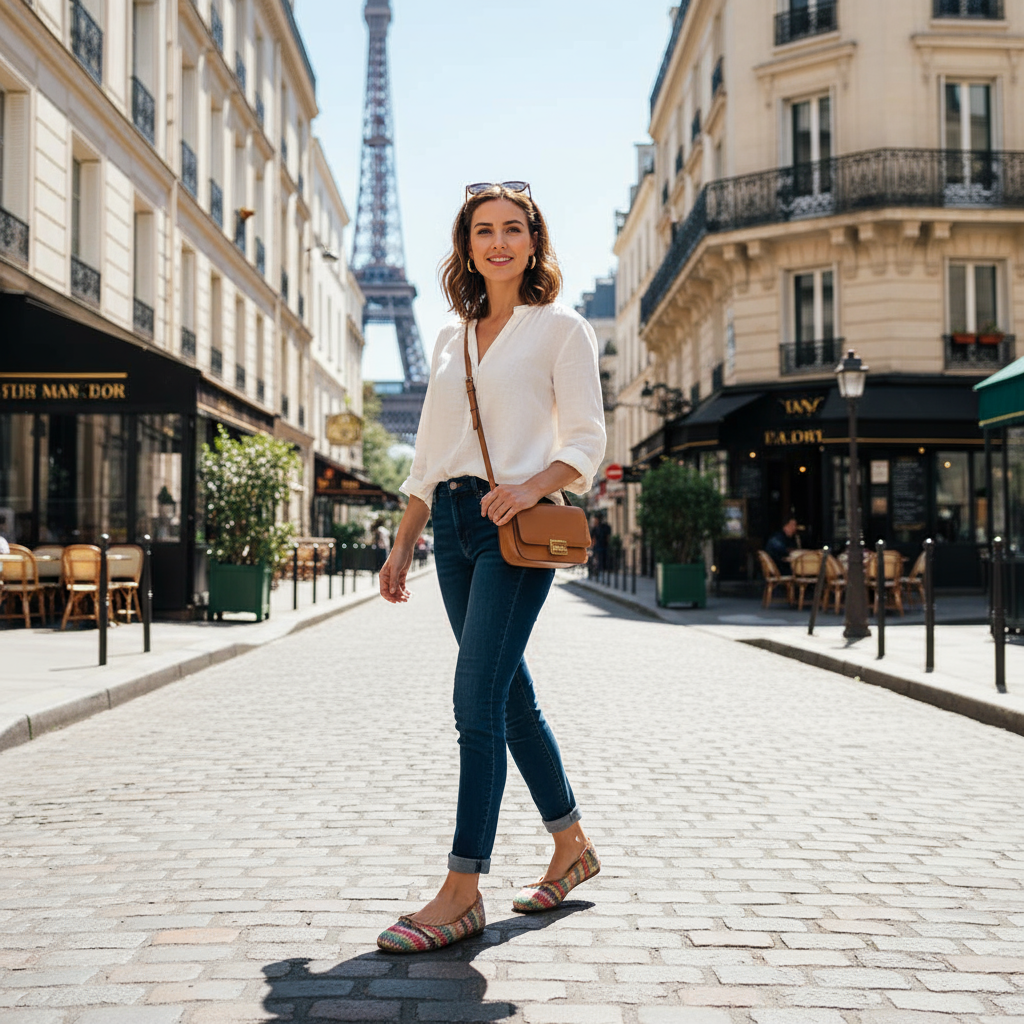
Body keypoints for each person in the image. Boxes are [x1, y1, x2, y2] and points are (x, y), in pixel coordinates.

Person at [376, 181, 606, 953]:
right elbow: (430, 457)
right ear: (466, 245)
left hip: (514, 528)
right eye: (484, 230)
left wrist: (528, 487)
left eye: (513, 229)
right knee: (509, 700)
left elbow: (585, 438)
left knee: (474, 701)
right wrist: (405, 540)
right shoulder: (450, 339)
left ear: (534, 243)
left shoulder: (560, 329)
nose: (498, 242)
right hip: (450, 523)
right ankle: (572, 845)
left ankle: (461, 889)